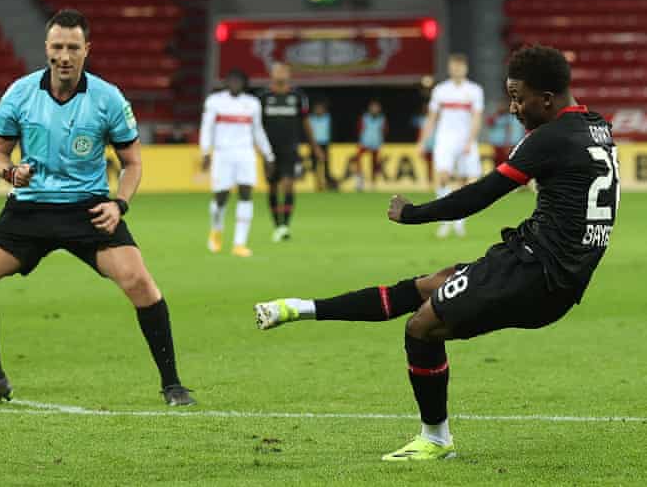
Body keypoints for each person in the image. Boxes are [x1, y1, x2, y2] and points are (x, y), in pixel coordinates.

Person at [254, 45, 618, 461]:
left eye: (519, 97)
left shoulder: (548, 138)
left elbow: (480, 195)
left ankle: (435, 439)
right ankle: (298, 308)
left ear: (548, 99)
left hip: (537, 272)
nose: (514, 107)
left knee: (421, 327)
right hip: (545, 266)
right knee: (432, 285)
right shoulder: (596, 126)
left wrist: (413, 214)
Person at [0, 9, 196, 407]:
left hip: (89, 209)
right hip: (29, 211)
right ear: (46, 48)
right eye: (57, 47)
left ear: (87, 50)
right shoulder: (19, 93)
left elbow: (132, 162)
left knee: (140, 283)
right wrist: (11, 174)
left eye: (73, 48)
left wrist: (119, 204)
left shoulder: (108, 98)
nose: (64, 56)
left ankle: (172, 385)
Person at [200, 69, 275, 257]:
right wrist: (205, 152)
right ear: (226, 83)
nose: (234, 83)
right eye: (231, 80)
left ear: (244, 83)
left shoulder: (252, 103)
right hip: (222, 154)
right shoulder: (215, 101)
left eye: (238, 81)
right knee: (221, 197)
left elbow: (258, 130)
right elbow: (207, 127)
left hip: (245, 154)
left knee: (246, 193)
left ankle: (239, 243)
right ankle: (216, 230)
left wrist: (268, 155)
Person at [417, 54, 484, 238]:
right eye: (453, 66)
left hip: (465, 139)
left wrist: (470, 140)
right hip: (445, 139)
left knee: (468, 182)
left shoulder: (474, 90)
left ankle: (459, 221)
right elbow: (432, 118)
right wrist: (422, 141)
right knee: (442, 177)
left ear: (465, 68)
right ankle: (445, 219)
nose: (456, 69)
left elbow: (477, 118)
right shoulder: (440, 90)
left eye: (459, 66)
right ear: (449, 68)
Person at [259, 62, 324, 242]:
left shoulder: (297, 96)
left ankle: (285, 226)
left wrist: (315, 146)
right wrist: (260, 150)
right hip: (269, 151)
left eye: (284, 71)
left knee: (288, 184)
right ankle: (277, 224)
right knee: (272, 186)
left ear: (289, 74)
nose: (281, 73)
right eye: (277, 70)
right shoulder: (263, 97)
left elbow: (305, 123)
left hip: (290, 149)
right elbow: (257, 126)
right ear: (271, 74)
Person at [346, 99, 388, 191]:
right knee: (358, 159)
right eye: (373, 107)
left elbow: (384, 131)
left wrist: (381, 141)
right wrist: (359, 141)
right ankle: (359, 180)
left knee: (374, 164)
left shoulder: (382, 119)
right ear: (369, 108)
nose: (375, 109)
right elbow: (359, 129)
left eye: (376, 107)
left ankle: (373, 183)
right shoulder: (364, 118)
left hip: (376, 144)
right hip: (364, 143)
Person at [486, 99, 526, 168]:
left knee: (505, 165)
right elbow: (489, 122)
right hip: (498, 144)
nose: (500, 107)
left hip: (506, 145)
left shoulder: (510, 117)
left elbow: (509, 131)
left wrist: (507, 144)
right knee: (498, 165)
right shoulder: (499, 116)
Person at [308, 99, 337, 190]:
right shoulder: (311, 118)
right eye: (317, 109)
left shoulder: (327, 118)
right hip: (314, 144)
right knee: (314, 165)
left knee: (326, 166)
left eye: (321, 109)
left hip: (325, 144)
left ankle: (328, 184)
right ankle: (318, 184)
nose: (319, 111)